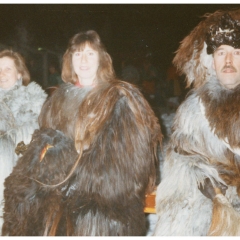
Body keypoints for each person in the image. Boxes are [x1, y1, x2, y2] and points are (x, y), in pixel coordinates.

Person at [2, 30, 162, 236]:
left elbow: (129, 161)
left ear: (101, 60)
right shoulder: (58, 99)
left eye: (90, 54)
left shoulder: (118, 98)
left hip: (100, 199)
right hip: (57, 195)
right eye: (77, 54)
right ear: (70, 59)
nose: (83, 60)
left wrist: (83, 181)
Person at [153, 9, 240, 236]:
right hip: (202, 207)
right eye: (221, 53)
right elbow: (181, 160)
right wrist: (211, 190)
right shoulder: (193, 111)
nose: (228, 61)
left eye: (236, 52)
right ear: (211, 62)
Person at [0, 49, 47, 234]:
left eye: (7, 69)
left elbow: (27, 145)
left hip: (17, 174)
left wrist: (6, 147)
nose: (1, 74)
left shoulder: (33, 100)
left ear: (19, 73)